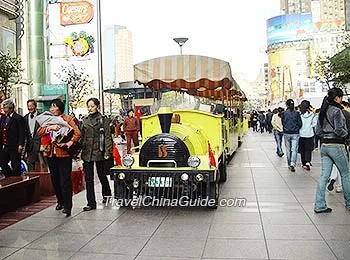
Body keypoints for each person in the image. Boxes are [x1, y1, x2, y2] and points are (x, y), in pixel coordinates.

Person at [37, 99, 81, 217]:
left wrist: (69, 143)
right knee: (55, 179)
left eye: (54, 107)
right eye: (51, 107)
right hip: (51, 153)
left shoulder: (67, 119)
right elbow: (39, 131)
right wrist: (50, 128)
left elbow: (77, 133)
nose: (52, 109)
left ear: (60, 108)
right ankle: (60, 200)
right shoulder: (48, 119)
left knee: (65, 180)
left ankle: (68, 206)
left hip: (64, 153)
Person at [314, 88, 350, 213]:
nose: (342, 100)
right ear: (337, 98)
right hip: (337, 145)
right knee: (345, 174)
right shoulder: (337, 111)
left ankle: (319, 205)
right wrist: (346, 135)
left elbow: (317, 131)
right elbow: (340, 130)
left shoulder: (322, 112)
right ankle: (349, 203)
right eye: (341, 97)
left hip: (324, 146)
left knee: (324, 176)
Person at [80, 98, 112, 211]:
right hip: (87, 152)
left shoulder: (103, 120)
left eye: (92, 106)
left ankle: (107, 194)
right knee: (88, 178)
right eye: (88, 106)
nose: (90, 108)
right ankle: (91, 203)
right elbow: (81, 137)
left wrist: (108, 152)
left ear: (98, 106)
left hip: (99, 150)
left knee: (101, 174)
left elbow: (108, 136)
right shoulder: (84, 120)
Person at [0, 99, 25, 177]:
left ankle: (16, 179)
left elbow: (22, 132)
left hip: (15, 145)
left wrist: (21, 144)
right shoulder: (3, 117)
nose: (4, 110)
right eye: (3, 108)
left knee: (15, 165)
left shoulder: (18, 118)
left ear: (11, 108)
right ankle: (9, 177)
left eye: (6, 108)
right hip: (5, 145)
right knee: (2, 162)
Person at [24, 99, 46, 172]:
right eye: (28, 106)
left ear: (35, 106)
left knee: (43, 164)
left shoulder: (42, 116)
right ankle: (32, 181)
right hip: (30, 145)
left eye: (31, 106)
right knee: (30, 164)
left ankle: (44, 182)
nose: (30, 108)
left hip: (40, 144)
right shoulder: (25, 118)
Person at [281, 99, 302, 172]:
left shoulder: (284, 113)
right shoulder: (297, 113)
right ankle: (293, 163)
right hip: (295, 133)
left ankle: (289, 163)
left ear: (286, 105)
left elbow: (283, 122)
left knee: (288, 149)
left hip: (286, 132)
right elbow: (300, 123)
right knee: (294, 149)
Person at [299, 100, 317, 171]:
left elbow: (299, 123)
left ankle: (304, 163)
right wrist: (310, 126)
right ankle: (308, 162)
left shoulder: (300, 115)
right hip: (310, 134)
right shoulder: (312, 114)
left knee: (302, 149)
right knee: (308, 149)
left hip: (301, 134)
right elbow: (314, 123)